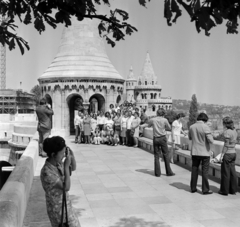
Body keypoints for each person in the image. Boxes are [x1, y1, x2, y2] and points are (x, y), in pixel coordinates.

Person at [40, 136, 80, 227]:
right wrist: (66, 167)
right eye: (61, 154)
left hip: (66, 208)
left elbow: (73, 168)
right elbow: (66, 187)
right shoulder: (47, 172)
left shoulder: (57, 163)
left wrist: (71, 155)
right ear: (54, 154)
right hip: (58, 212)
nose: (63, 156)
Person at [142, 108, 175, 177]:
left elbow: (148, 125)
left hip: (156, 138)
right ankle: (168, 172)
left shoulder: (153, 119)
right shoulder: (165, 120)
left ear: (157, 113)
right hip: (163, 138)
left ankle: (157, 173)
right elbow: (169, 128)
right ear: (163, 114)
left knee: (156, 156)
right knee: (165, 155)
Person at [188, 112, 214, 195]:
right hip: (205, 152)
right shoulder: (205, 127)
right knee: (205, 171)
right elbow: (211, 141)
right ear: (205, 120)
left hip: (195, 152)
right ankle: (205, 189)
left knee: (194, 170)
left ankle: (193, 188)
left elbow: (190, 137)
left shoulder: (191, 126)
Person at [218, 117, 238, 196]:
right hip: (233, 153)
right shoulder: (235, 131)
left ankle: (224, 191)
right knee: (233, 172)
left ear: (226, 124)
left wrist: (222, 154)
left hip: (228, 154)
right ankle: (233, 190)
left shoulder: (227, 132)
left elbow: (226, 145)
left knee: (225, 172)